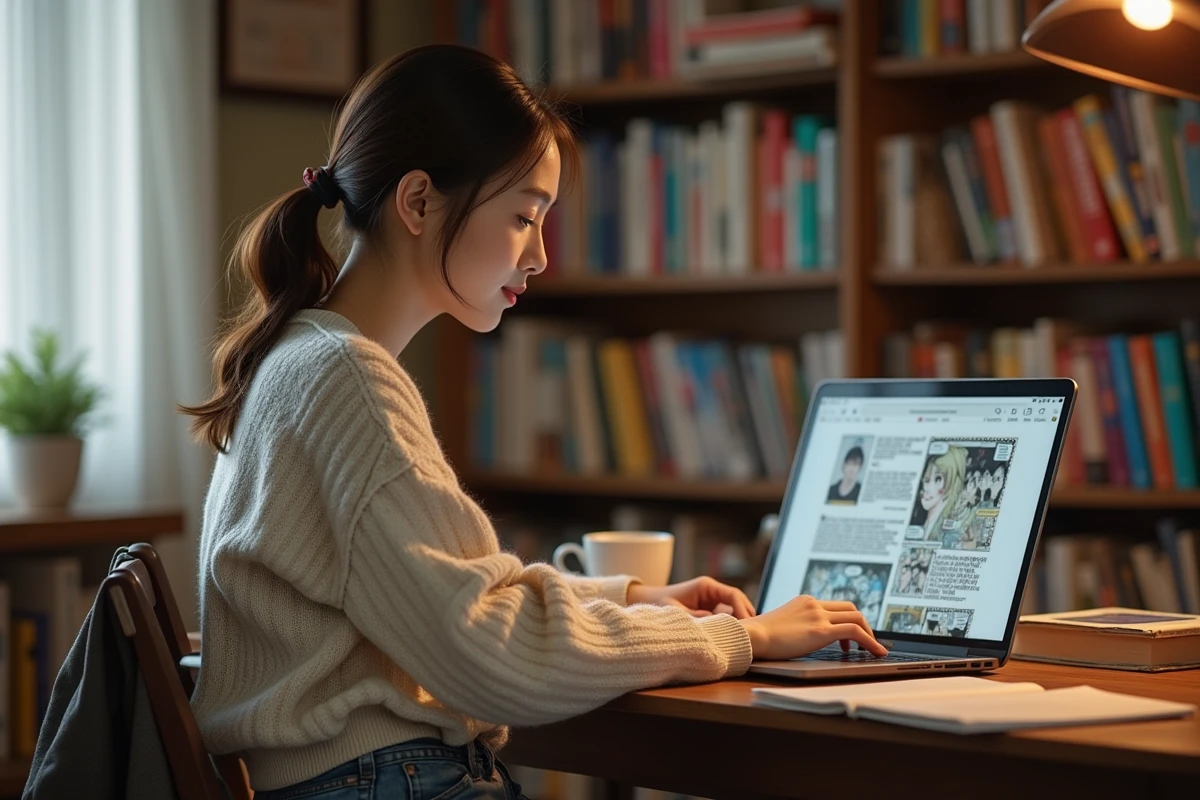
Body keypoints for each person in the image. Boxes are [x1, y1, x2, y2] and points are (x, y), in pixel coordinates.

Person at [181, 45, 886, 800]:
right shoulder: (348, 382)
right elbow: (495, 656)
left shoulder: (301, 359)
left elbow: (452, 601)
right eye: (524, 217)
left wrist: (626, 601)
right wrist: (742, 639)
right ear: (418, 203)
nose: (542, 255)